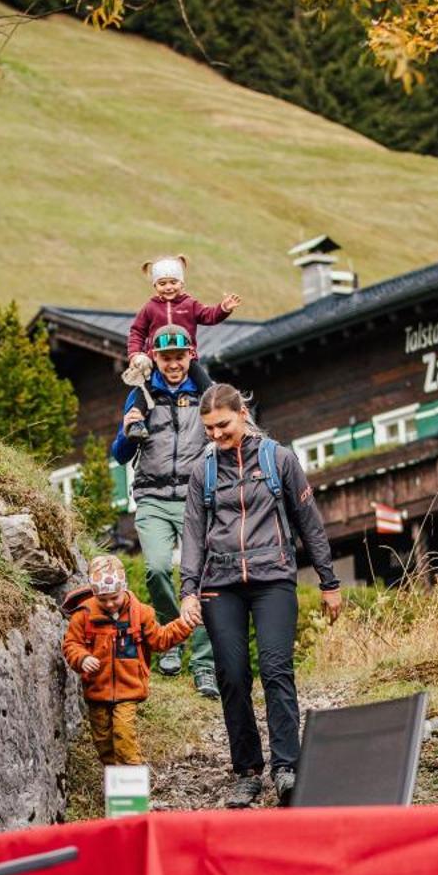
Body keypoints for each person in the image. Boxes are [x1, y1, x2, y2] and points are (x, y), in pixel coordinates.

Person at [179, 383, 343, 807]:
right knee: (232, 677)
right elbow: (194, 536)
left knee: (276, 670)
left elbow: (309, 522)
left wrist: (329, 582)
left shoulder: (278, 459)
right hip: (220, 583)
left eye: (222, 425)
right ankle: (247, 771)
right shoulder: (204, 472)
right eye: (208, 429)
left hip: (273, 580)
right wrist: (188, 591)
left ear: (242, 414)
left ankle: (286, 767)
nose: (215, 435)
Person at [113, 325, 219, 696]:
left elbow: (230, 430)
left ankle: (204, 665)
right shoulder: (142, 394)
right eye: (166, 358)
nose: (173, 365)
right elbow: (120, 454)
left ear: (190, 356)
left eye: (179, 357)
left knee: (204, 580)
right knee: (157, 568)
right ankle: (170, 640)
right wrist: (127, 432)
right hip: (153, 497)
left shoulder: (206, 394)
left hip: (195, 498)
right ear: (155, 358)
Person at [62, 555, 199, 767]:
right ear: (94, 593)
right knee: (103, 743)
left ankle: (133, 795)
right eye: (102, 599)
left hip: (128, 691)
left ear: (123, 588)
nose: (109, 604)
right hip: (96, 691)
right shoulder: (83, 615)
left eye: (114, 597)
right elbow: (71, 644)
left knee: (124, 739)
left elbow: (160, 640)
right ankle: (117, 789)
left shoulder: (140, 614)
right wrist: (82, 657)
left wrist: (184, 624)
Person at [122, 255, 242, 386]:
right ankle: (137, 407)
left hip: (186, 358)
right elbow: (137, 332)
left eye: (173, 282)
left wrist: (223, 308)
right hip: (156, 358)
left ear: (182, 283)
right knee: (143, 388)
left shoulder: (190, 304)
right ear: (155, 285)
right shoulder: (150, 307)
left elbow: (210, 316)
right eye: (162, 283)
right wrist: (135, 354)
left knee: (207, 386)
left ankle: (213, 402)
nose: (168, 287)